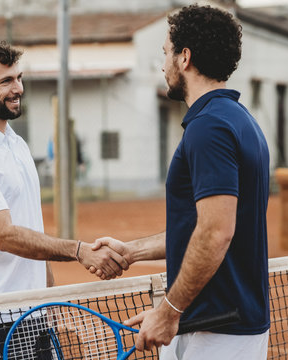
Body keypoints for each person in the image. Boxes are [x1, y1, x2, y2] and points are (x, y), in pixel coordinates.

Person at [92, 5, 270, 359]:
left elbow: (216, 233)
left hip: (219, 332)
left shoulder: (210, 128)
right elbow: (198, 229)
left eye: (165, 53)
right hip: (209, 323)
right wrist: (132, 252)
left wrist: (168, 312)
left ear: (184, 57)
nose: (162, 65)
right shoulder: (238, 120)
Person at [0, 40, 129, 359]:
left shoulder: (16, 145)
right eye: (5, 81)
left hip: (33, 313)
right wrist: (79, 250)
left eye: (19, 77)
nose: (18, 88)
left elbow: (30, 224)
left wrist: (48, 299)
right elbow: (4, 235)